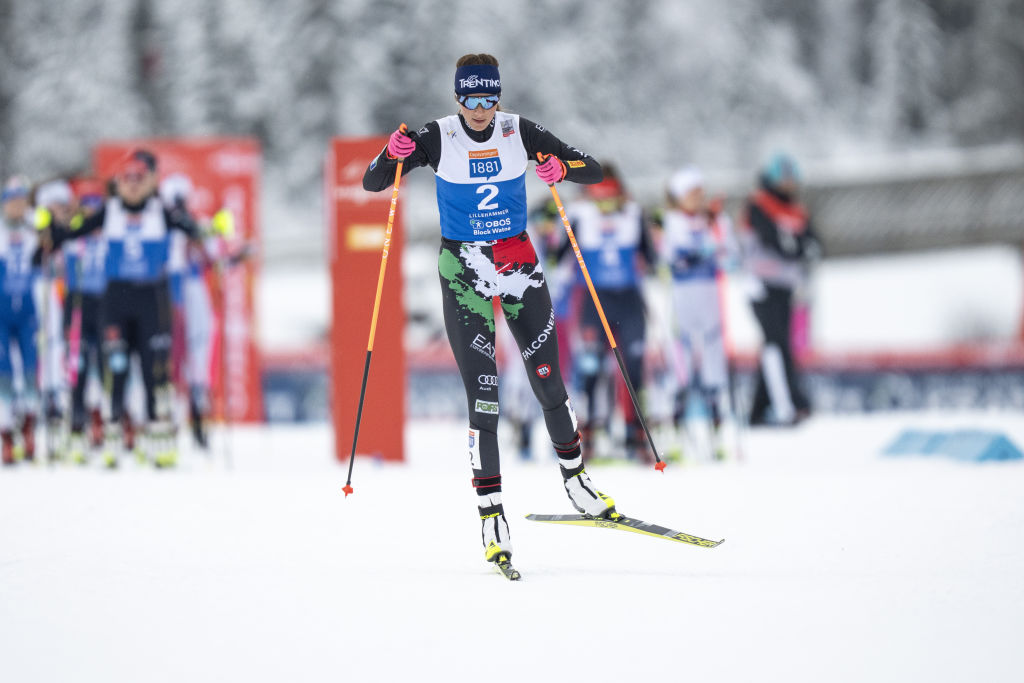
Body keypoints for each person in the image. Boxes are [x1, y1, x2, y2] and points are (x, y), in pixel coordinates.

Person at [362, 53, 615, 577]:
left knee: (548, 380)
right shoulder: (438, 136)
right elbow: (373, 182)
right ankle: (491, 515)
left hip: (517, 263)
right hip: (464, 272)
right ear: (457, 97)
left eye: (488, 98)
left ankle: (576, 480)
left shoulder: (518, 129)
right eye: (470, 99)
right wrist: (391, 153)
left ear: (498, 96)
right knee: (485, 397)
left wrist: (560, 167)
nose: (480, 109)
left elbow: (592, 169)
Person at [41, 149, 202, 467]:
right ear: (117, 183)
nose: (131, 185)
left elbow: (194, 231)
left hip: (152, 298)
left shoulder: (162, 211)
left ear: (151, 182)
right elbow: (73, 232)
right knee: (115, 369)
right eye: (126, 179)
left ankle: (160, 441)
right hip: (116, 300)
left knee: (154, 370)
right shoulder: (108, 211)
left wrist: (200, 229)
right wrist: (51, 234)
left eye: (138, 179)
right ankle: (114, 438)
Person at [559, 164, 656, 462]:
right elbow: (556, 256)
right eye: (599, 197)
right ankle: (586, 433)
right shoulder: (579, 215)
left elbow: (651, 257)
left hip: (628, 299)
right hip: (593, 298)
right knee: (591, 367)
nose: (605, 204)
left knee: (634, 367)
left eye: (610, 197)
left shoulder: (634, 214)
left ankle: (635, 432)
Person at [656, 165, 739, 459]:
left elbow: (730, 256)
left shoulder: (716, 220)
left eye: (700, 193)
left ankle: (718, 436)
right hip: (682, 300)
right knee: (682, 367)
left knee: (714, 366)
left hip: (709, 296)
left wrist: (717, 240)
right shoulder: (670, 220)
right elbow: (671, 256)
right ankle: (675, 434)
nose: (698, 199)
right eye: (692, 193)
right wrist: (698, 252)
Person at [739, 153, 821, 426]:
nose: (789, 184)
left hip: (786, 287)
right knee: (777, 344)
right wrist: (796, 248)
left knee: (777, 344)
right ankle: (790, 404)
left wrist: (799, 248)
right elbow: (777, 242)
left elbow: (812, 243)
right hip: (761, 286)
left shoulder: (797, 210)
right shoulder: (759, 204)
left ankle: (758, 410)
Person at [62, 178, 109, 461]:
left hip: (103, 303)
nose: (91, 209)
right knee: (76, 367)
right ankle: (77, 423)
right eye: (86, 204)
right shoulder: (73, 232)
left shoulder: (107, 232)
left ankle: (103, 420)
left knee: (104, 365)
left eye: (95, 204)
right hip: (77, 303)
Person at [0, 175, 42, 464]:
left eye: (21, 201)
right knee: (3, 374)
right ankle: (6, 435)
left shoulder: (35, 231)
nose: (17, 207)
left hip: (28, 312)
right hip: (1, 313)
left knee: (29, 371)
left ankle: (29, 429)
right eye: (12, 201)